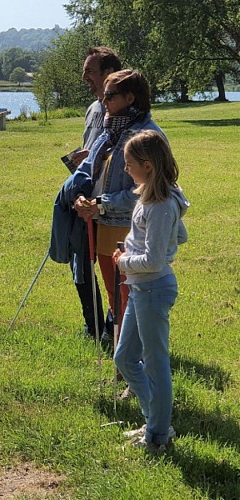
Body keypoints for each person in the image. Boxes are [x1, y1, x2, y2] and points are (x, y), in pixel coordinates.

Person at [73, 69, 165, 340]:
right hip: (103, 226)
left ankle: (133, 361)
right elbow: (89, 170)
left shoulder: (148, 137)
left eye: (110, 95)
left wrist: (101, 203)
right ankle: (122, 357)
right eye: (104, 94)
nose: (103, 101)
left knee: (130, 301)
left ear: (130, 98)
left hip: (130, 230)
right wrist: (81, 196)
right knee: (116, 299)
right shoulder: (110, 130)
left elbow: (147, 191)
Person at [113, 130, 189, 452]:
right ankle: (155, 422)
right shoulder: (154, 198)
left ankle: (157, 437)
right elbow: (180, 237)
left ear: (148, 165)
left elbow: (155, 259)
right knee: (125, 357)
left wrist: (123, 260)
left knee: (155, 363)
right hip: (141, 286)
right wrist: (156, 244)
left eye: (129, 164)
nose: (125, 169)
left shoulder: (160, 205)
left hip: (152, 289)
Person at [50, 47, 121, 341]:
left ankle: (113, 326)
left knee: (112, 270)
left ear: (108, 74)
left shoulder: (123, 110)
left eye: (90, 71)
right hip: (83, 201)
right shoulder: (94, 109)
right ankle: (94, 327)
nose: (84, 78)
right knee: (80, 267)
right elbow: (92, 149)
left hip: (108, 205)